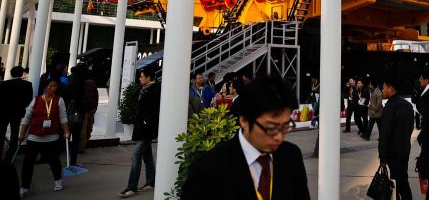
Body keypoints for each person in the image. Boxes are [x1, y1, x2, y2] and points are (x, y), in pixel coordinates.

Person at [182, 76, 311, 200]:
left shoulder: (291, 156)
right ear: (244, 120)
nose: (279, 137)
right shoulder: (207, 168)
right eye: (271, 128)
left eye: (285, 126)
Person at [18, 79, 70, 196]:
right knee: (28, 163)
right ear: (45, 87)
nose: (53, 88)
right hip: (34, 137)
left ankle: (58, 181)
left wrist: (66, 131)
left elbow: (63, 117)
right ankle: (25, 186)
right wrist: (21, 134)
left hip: (52, 137)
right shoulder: (36, 100)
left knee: (54, 161)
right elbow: (26, 118)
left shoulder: (59, 100)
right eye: (51, 86)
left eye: (55, 86)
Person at [119, 68, 161, 198]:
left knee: (136, 154)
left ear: (149, 78)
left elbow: (153, 110)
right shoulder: (145, 89)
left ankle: (132, 187)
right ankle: (151, 182)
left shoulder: (154, 90)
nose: (140, 79)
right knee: (146, 155)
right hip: (144, 128)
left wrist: (145, 123)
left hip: (147, 129)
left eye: (142, 77)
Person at [379, 77, 414, 200]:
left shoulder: (390, 107)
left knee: (398, 183)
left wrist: (382, 155)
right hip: (404, 150)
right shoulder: (408, 105)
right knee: (402, 179)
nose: (382, 90)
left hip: (393, 153)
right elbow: (410, 128)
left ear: (391, 89)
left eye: (384, 87)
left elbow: (385, 133)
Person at [0, 66, 33, 161]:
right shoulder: (27, 85)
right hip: (17, 112)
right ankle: (10, 157)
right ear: (22, 73)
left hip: (3, 112)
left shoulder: (4, 84)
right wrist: (21, 106)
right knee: (14, 134)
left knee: (1, 133)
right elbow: (28, 99)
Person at [79, 67, 99, 153]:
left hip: (85, 110)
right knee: (88, 129)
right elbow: (96, 97)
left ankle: (81, 147)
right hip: (91, 110)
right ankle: (83, 145)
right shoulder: (93, 84)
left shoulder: (80, 83)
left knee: (83, 130)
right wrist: (95, 108)